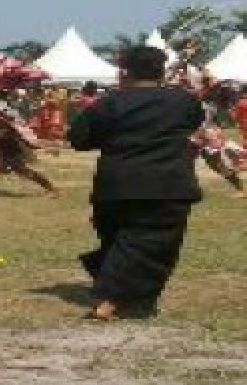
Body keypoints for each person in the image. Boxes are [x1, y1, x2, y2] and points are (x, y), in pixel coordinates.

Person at [68, 46, 205, 321]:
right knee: (151, 245)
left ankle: (131, 300)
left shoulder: (109, 103)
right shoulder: (183, 101)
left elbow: (79, 139)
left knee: (120, 240)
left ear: (123, 71)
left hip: (116, 186)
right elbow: (193, 124)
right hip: (168, 184)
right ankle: (112, 299)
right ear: (162, 71)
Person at [0, 97, 59, 198]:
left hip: (10, 149)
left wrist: (47, 148)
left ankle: (52, 189)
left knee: (24, 171)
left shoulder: (8, 124)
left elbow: (28, 141)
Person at [191, 108, 246, 197]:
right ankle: (240, 189)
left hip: (216, 151)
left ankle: (241, 189)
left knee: (228, 168)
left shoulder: (207, 127)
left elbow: (215, 139)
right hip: (211, 151)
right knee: (227, 168)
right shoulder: (206, 126)